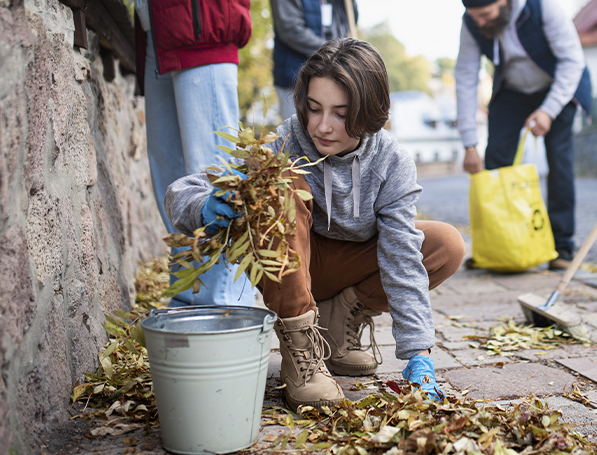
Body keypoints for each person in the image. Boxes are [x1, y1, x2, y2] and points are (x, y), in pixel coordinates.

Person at [164, 38, 466, 409]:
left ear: (368, 111)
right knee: (280, 183)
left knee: (445, 243)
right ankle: (301, 352)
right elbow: (182, 191)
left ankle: (339, 325)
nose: (322, 126)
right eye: (314, 108)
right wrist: (205, 206)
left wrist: (419, 352)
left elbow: (402, 257)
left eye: (340, 113)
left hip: (348, 265)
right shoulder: (284, 141)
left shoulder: (392, 162)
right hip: (292, 267)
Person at [129, 0, 255, 307]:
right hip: (162, 38)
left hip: (204, 39)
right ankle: (189, 302)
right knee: (173, 185)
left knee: (214, 182)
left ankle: (226, 307)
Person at [454, 0, 591, 270]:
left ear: (503, 0)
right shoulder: (472, 21)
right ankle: (498, 243)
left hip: (558, 86)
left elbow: (572, 60)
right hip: (513, 90)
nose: (480, 22)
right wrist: (468, 143)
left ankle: (562, 247)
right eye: (474, 16)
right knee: (496, 159)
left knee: (560, 161)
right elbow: (465, 77)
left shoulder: (542, 0)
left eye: (485, 14)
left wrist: (549, 110)